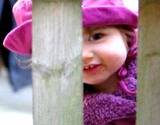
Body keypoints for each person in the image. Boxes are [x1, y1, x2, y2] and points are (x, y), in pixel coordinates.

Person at [3, 0, 138, 124]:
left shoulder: (151, 74)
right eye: (63, 46)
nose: (84, 55)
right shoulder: (65, 109)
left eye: (96, 36)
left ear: (127, 36)